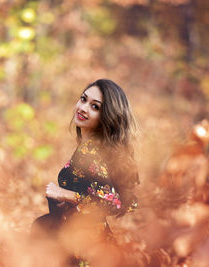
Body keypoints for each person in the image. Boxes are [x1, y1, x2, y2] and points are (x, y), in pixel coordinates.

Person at [31, 79, 139, 266]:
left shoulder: (92, 151)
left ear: (107, 117)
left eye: (95, 107)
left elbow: (114, 201)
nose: (83, 108)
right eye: (83, 99)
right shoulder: (95, 149)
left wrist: (64, 194)